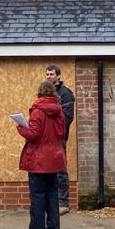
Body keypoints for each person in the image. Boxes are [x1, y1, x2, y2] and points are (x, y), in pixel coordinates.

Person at [16, 80, 66, 229]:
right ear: (53, 93)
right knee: (52, 195)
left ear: (40, 93)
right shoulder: (59, 111)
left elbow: (34, 134)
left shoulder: (37, 111)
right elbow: (61, 132)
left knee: (37, 197)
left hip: (39, 160)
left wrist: (20, 127)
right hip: (55, 158)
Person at [45, 64, 75, 213]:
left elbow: (68, 118)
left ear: (58, 76)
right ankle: (51, 202)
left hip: (59, 137)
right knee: (47, 168)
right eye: (47, 74)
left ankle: (63, 203)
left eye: (51, 74)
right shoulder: (46, 93)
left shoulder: (66, 94)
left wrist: (53, 126)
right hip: (45, 138)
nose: (49, 76)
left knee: (60, 169)